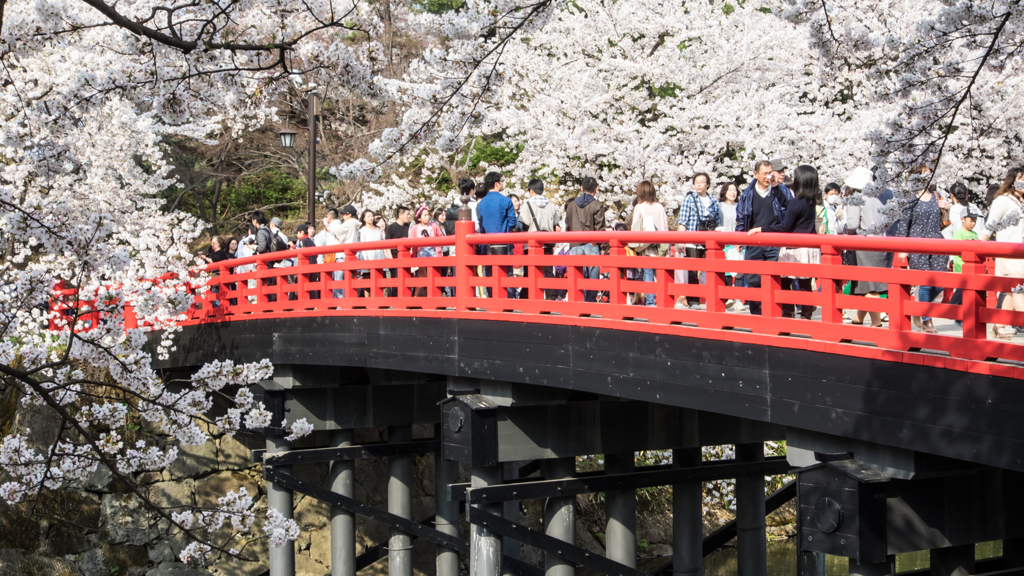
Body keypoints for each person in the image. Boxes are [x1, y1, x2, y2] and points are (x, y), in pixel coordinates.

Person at [748, 165, 821, 320]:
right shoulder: (809, 201)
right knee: (805, 286)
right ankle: (806, 318)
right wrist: (775, 186)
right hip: (808, 248)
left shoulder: (797, 202)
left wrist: (761, 229)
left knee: (785, 284)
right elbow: (788, 205)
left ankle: (788, 316)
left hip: (793, 249)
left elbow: (784, 226)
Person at [735, 160, 793, 315]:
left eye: (770, 173)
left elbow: (789, 209)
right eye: (765, 173)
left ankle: (774, 314)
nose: (769, 177)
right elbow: (741, 216)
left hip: (775, 241)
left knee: (774, 279)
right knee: (753, 280)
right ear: (756, 174)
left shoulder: (781, 190)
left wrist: (775, 188)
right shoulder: (748, 193)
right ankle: (757, 314)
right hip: (753, 241)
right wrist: (739, 237)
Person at [897, 166, 949, 334]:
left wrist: (947, 210)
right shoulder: (909, 199)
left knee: (941, 282)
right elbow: (904, 225)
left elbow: (945, 222)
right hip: (917, 244)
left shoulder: (937, 195)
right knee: (925, 283)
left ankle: (919, 309)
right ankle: (927, 320)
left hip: (937, 242)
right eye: (923, 173)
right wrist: (902, 248)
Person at [982, 167, 1024, 339]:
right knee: (1018, 290)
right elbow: (990, 224)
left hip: (1021, 254)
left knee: (1009, 291)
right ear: (1013, 181)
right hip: (1008, 252)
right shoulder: (1002, 201)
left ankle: (999, 325)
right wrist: (979, 246)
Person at [844, 167, 888, 327]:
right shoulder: (876, 200)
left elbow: (852, 225)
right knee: (868, 285)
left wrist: (840, 229)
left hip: (864, 247)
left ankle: (876, 323)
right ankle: (859, 318)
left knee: (869, 289)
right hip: (880, 245)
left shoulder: (856, 199)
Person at [476, 171, 518, 298]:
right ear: (496, 183)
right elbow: (512, 222)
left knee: (489, 273)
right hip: (504, 244)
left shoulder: (480, 204)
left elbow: (481, 225)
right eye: (501, 181)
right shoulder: (506, 201)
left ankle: (492, 301)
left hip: (487, 245)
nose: (502, 183)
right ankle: (508, 301)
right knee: (507, 273)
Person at [565, 176, 606, 303]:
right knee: (592, 280)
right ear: (596, 189)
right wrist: (605, 247)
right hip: (592, 245)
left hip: (575, 244)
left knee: (576, 278)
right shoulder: (597, 205)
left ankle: (577, 304)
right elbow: (600, 229)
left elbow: (568, 225)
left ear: (581, 188)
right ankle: (590, 303)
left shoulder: (571, 205)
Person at [630, 181, 668, 307]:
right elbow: (665, 226)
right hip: (661, 244)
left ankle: (650, 302)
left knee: (648, 272)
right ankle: (662, 301)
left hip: (647, 245)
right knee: (661, 273)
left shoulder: (639, 207)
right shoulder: (660, 207)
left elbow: (634, 228)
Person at [948, 209, 983, 310]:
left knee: (967, 290)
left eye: (975, 221)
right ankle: (952, 307)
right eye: (971, 220)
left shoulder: (975, 234)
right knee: (962, 289)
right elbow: (956, 249)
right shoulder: (959, 233)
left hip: (973, 266)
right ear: (962, 219)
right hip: (961, 265)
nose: (973, 223)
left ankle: (961, 312)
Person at [409, 203, 445, 297]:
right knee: (421, 278)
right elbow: (411, 242)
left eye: (428, 214)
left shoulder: (433, 226)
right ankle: (416, 298)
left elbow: (441, 237)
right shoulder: (415, 228)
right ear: (419, 218)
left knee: (434, 277)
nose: (427, 217)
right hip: (420, 253)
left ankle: (434, 298)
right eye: (425, 215)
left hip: (433, 252)